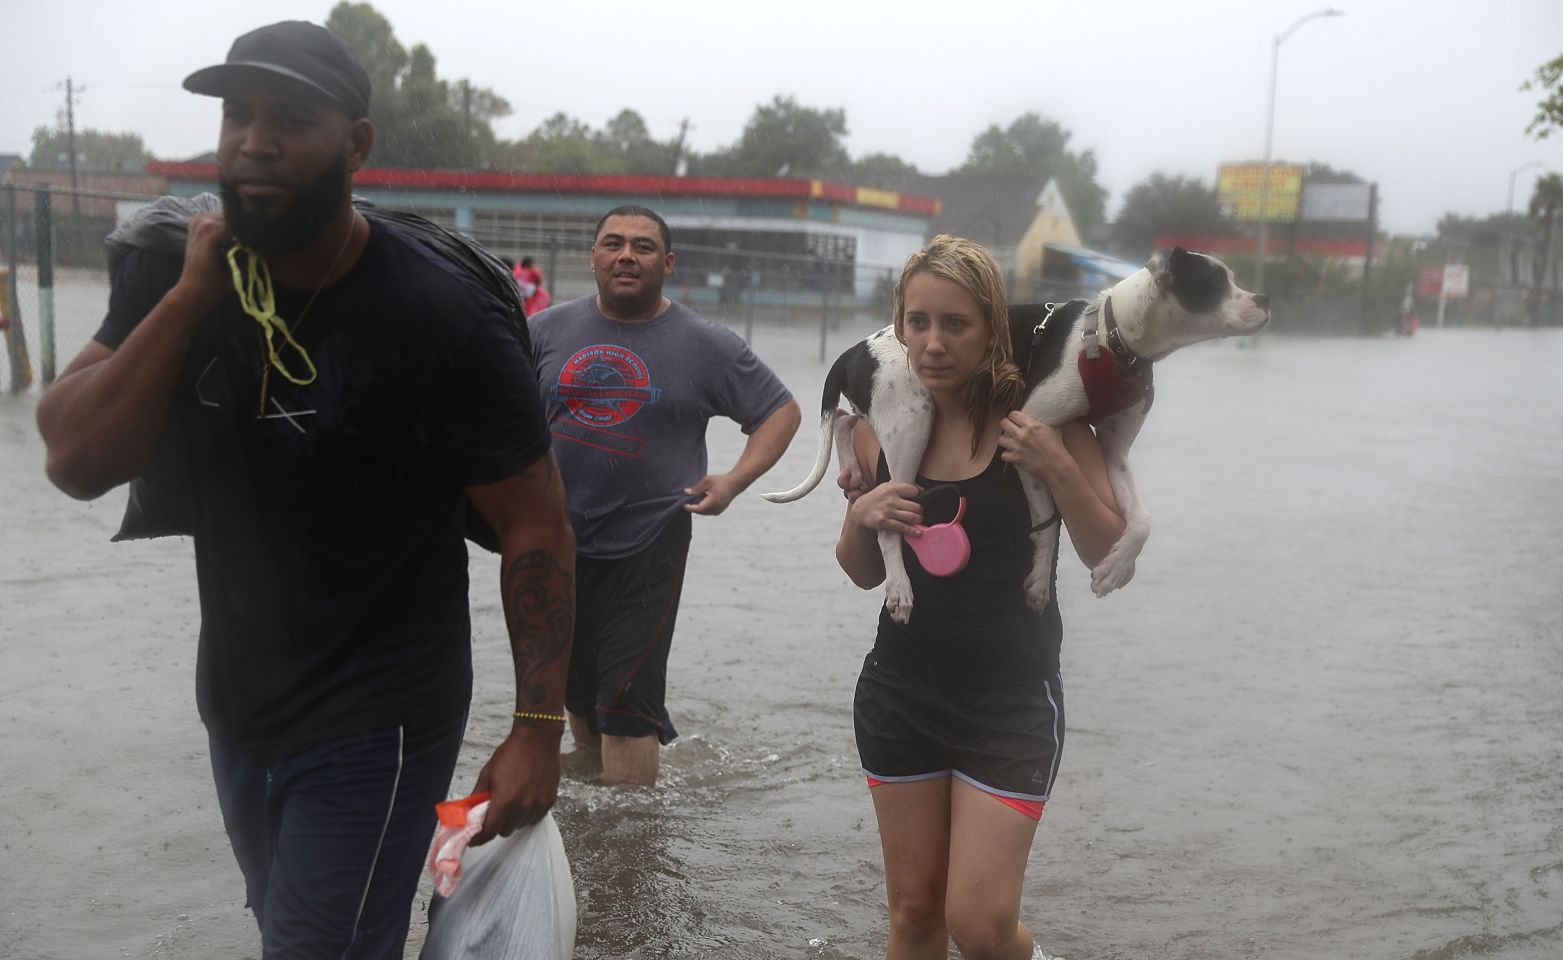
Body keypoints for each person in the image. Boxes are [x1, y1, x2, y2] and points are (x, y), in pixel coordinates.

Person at [35, 21, 576, 958]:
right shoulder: (176, 273)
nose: (255, 139)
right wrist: (192, 296)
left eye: (291, 118)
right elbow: (73, 456)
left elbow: (535, 522)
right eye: (237, 114)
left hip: (379, 717)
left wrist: (536, 728)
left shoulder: (435, 314)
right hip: (239, 705)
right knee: (294, 932)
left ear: (356, 145)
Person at [835, 235, 1125, 959]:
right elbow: (865, 572)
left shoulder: (1049, 417)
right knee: (911, 913)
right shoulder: (887, 421)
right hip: (901, 690)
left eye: (954, 324)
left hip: (1012, 702)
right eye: (917, 323)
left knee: (982, 926)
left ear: (992, 327)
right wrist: (858, 516)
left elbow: (1104, 552)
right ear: (899, 327)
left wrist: (1058, 465)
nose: (933, 344)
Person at [529, 204, 800, 786]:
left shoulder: (704, 343)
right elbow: (498, 416)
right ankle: (592, 834)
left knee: (626, 702)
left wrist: (733, 480)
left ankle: (631, 844)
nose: (626, 255)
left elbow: (780, 411)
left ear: (668, 263)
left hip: (650, 539)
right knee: (576, 696)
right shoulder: (545, 330)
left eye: (643, 247)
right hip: (556, 538)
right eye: (613, 244)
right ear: (594, 257)